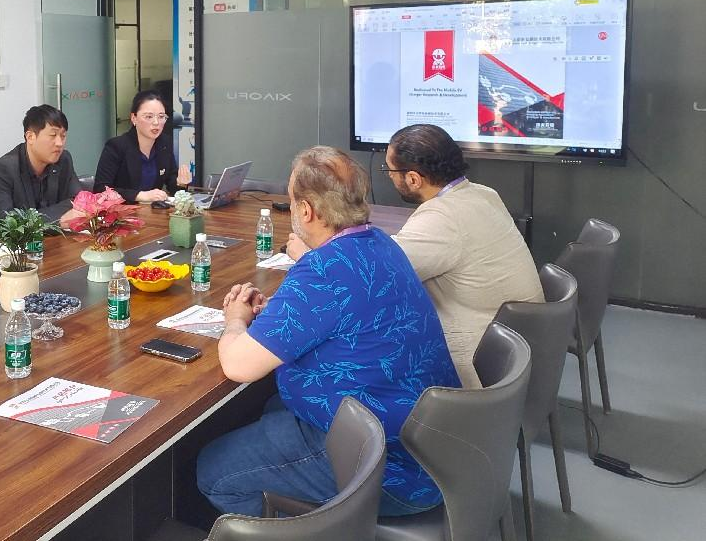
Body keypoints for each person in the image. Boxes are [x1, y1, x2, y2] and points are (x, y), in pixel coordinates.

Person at [197, 146, 460, 519]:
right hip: (424, 442)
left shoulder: (324, 270)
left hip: (387, 468)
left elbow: (238, 366)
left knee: (214, 470)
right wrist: (278, 313)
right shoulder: (379, 242)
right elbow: (347, 315)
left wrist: (236, 320)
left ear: (305, 210)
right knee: (269, 409)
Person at [382, 123, 543, 388]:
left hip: (481, 364)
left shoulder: (441, 217)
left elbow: (381, 273)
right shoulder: (484, 193)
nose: (389, 176)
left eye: (390, 170)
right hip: (521, 349)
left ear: (413, 179)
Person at [0, 104, 82, 226]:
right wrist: (58, 220)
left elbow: (79, 202)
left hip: (55, 236)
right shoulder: (1, 170)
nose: (59, 143)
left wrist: (33, 218)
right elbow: (7, 223)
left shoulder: (63, 160)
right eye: (53, 135)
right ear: (30, 137)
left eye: (63, 136)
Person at [93, 90, 192, 203]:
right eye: (149, 117)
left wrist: (181, 183)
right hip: (122, 211)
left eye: (161, 116)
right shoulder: (116, 146)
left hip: (152, 211)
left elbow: (172, 185)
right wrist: (139, 196)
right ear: (134, 118)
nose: (156, 122)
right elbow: (100, 190)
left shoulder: (164, 143)